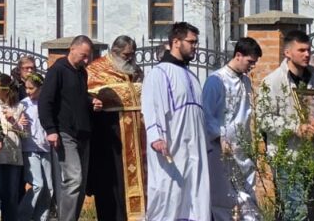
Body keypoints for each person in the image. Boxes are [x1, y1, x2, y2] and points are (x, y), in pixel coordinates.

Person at [142, 22, 211, 221]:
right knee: (169, 196)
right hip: (172, 147)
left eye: (196, 42)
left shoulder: (192, 76)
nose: (195, 47)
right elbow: (151, 107)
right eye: (192, 42)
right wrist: (156, 137)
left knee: (197, 197)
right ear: (176, 42)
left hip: (195, 151)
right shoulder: (159, 73)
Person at [259, 29, 314, 221]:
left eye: (309, 50)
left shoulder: (313, 79)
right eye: (301, 50)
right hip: (287, 155)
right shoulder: (272, 81)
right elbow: (264, 118)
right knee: (296, 211)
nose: (307, 54)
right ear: (288, 53)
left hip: (311, 155)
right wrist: (295, 126)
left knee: (313, 210)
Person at [40, 35, 99, 221]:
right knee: (73, 180)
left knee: (80, 186)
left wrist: (91, 101)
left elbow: (76, 97)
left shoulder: (82, 72)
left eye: (89, 56)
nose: (86, 60)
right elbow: (45, 101)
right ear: (72, 49)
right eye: (83, 55)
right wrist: (50, 129)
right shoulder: (57, 71)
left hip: (83, 133)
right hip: (65, 132)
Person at [86, 35, 144, 220]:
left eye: (133, 54)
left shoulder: (135, 70)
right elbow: (88, 96)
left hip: (135, 136)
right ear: (115, 52)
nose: (130, 58)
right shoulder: (96, 69)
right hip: (109, 135)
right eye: (127, 54)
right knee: (112, 182)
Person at [203, 37, 262, 221]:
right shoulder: (216, 80)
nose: (252, 66)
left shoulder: (245, 81)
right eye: (249, 61)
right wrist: (220, 137)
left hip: (243, 148)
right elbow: (207, 114)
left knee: (248, 197)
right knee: (225, 199)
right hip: (222, 149)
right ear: (238, 55)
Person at [0, 74, 24, 221]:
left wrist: (13, 119)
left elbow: (24, 132)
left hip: (13, 154)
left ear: (6, 90)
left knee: (11, 194)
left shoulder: (19, 106)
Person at [17, 72, 51, 221]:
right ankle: (22, 216)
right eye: (26, 88)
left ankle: (41, 218)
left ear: (41, 88)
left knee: (49, 187)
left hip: (46, 148)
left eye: (31, 88)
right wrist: (20, 122)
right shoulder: (23, 104)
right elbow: (16, 125)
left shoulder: (47, 102)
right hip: (30, 148)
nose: (28, 91)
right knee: (38, 184)